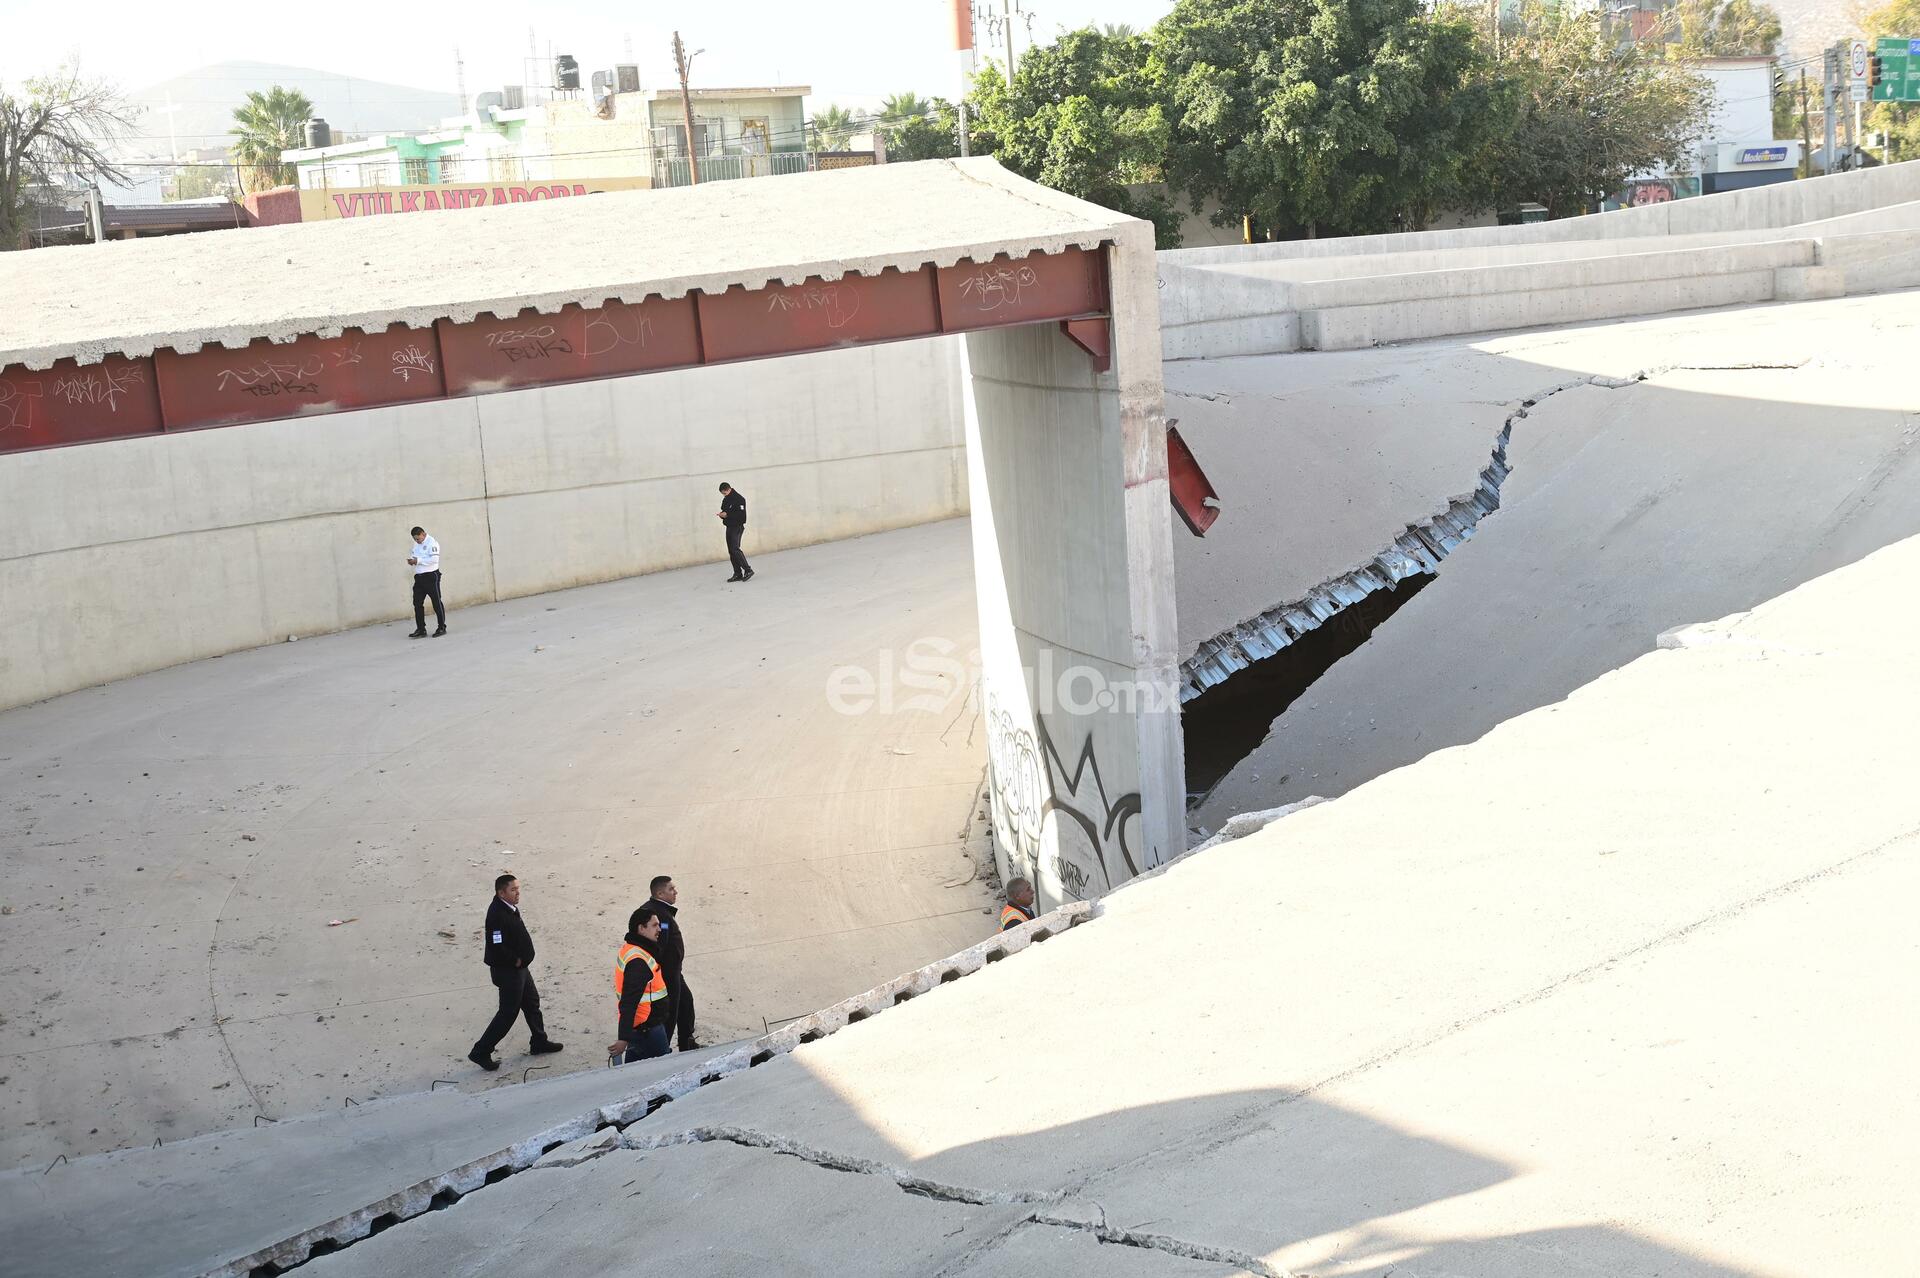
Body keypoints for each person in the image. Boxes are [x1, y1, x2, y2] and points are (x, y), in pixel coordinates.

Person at [469, 874, 563, 1070]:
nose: (517, 893)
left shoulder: (508, 907)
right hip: (508, 972)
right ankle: (481, 1051)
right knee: (508, 1013)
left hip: (519, 969)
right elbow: (495, 945)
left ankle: (539, 1041)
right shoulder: (496, 914)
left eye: (518, 889)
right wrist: (515, 960)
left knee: (531, 1003)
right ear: (501, 892)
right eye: (513, 890)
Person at [608, 906, 672, 1064]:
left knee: (634, 1070)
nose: (660, 929)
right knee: (661, 1071)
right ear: (641, 929)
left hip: (643, 1029)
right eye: (654, 925)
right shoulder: (638, 961)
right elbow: (628, 1003)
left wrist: (666, 919)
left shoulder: (637, 947)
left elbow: (665, 929)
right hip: (648, 1031)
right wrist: (623, 1038)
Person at [644, 875, 699, 1052]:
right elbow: (658, 944)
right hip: (666, 974)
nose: (676, 892)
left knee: (686, 1003)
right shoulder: (657, 915)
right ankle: (662, 1050)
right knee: (670, 1012)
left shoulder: (661, 910)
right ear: (660, 893)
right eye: (671, 889)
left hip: (674, 971)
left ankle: (686, 1042)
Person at [407, 525, 447, 638]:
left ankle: (441, 627)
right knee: (417, 603)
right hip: (419, 577)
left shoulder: (432, 543)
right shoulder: (416, 544)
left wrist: (418, 560)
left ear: (423, 534)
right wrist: (412, 560)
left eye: (418, 538)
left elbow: (434, 559)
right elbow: (414, 554)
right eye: (414, 539)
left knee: (436, 602)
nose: (416, 541)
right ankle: (421, 629)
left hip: (431, 576)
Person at [716, 483, 753, 583]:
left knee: (735, 549)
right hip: (729, 526)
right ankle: (737, 573)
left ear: (728, 489)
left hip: (737, 527)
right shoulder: (727, 498)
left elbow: (741, 516)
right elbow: (724, 508)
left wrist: (727, 514)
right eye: (722, 494)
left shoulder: (739, 499)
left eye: (724, 493)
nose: (724, 495)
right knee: (731, 551)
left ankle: (748, 570)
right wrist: (722, 514)